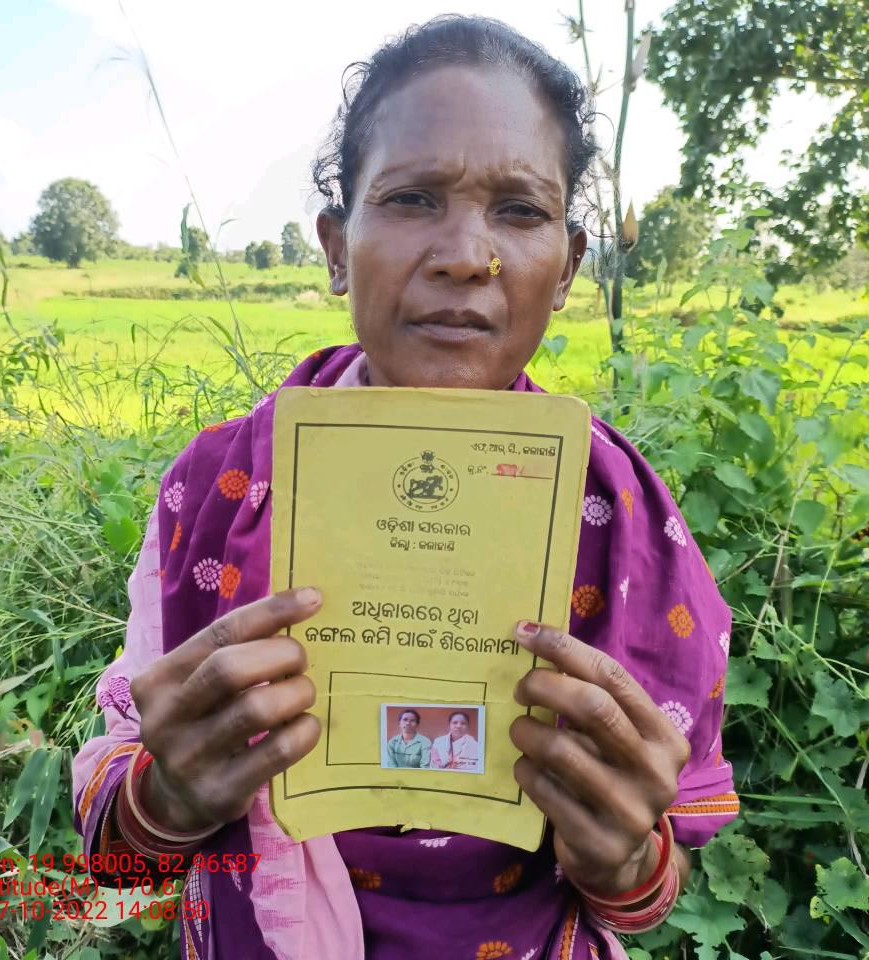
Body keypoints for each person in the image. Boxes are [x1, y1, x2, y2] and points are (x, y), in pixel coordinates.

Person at [71, 15, 739, 960]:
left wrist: (627, 857)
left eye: (520, 210)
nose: (467, 254)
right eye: (413, 198)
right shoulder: (215, 485)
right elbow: (119, 869)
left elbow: (645, 897)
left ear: (568, 268)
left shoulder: (619, 515)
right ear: (335, 247)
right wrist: (166, 799)